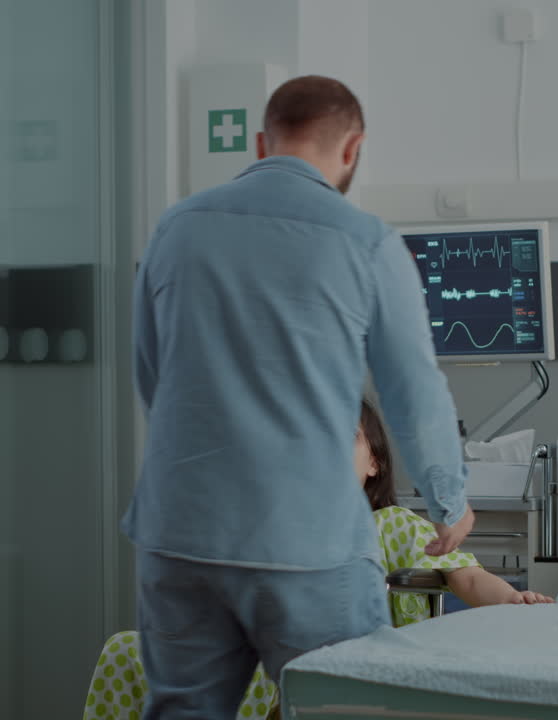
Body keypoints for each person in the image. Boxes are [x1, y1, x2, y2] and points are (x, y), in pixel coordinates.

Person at [124, 74, 475, 718]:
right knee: (338, 708)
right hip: (305, 544)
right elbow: (412, 391)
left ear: (262, 143)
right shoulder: (366, 242)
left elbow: (153, 376)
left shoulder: (176, 228)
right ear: (352, 150)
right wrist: (448, 498)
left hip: (179, 532)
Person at [90, 403, 551, 720]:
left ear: (375, 462)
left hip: (341, 658)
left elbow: (467, 578)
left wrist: (513, 600)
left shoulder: (393, 525)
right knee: (125, 650)